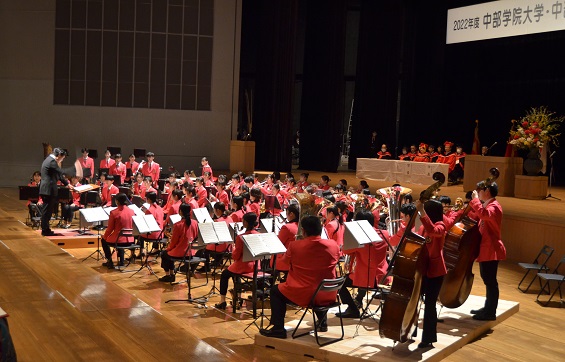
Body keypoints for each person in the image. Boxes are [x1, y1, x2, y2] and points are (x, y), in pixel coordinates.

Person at [259, 216, 340, 339]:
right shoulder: (333, 245)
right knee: (318, 280)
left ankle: (278, 329)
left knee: (275, 291)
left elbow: (284, 263)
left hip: (306, 294)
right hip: (328, 293)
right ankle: (322, 322)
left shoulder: (295, 246)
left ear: (303, 231)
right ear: (321, 229)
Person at [335, 211, 390, 318]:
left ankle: (353, 309)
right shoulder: (385, 233)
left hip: (368, 278)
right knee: (360, 272)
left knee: (340, 285)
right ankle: (358, 300)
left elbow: (345, 251)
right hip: (382, 276)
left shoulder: (360, 238)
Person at [469, 181, 505, 321]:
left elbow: (484, 215)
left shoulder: (494, 207)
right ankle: (487, 307)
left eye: (480, 190)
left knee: (491, 282)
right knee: (487, 280)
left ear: (488, 191)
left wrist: (475, 200)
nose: (478, 192)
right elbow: (478, 215)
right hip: (486, 249)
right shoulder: (488, 205)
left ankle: (490, 313)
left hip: (492, 249)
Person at [415, 198, 447, 349]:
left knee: (429, 305)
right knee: (414, 301)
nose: (424, 214)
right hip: (422, 268)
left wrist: (421, 211)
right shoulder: (423, 227)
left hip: (436, 271)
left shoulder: (441, 226)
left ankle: (428, 338)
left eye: (426, 211)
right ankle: (409, 332)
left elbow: (433, 231)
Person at [215, 212, 259, 309]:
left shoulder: (241, 237)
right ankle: (238, 297)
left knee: (225, 275)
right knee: (234, 273)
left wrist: (234, 247)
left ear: (246, 223)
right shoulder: (259, 234)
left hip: (243, 266)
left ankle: (222, 300)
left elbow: (235, 257)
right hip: (255, 265)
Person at [158, 203, 199, 282]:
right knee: (168, 254)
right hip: (190, 252)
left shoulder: (178, 225)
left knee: (164, 254)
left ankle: (169, 275)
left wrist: (168, 248)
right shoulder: (195, 223)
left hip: (181, 252)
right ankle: (171, 274)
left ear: (180, 211)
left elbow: (173, 242)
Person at [39, 147, 72, 236]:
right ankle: (45, 230)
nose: (62, 159)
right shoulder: (52, 162)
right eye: (63, 157)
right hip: (48, 190)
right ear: (59, 155)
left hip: (47, 189)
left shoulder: (48, 160)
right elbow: (62, 172)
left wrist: (67, 184)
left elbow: (59, 175)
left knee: (48, 211)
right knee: (47, 211)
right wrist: (75, 170)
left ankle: (46, 229)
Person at [101, 193, 135, 268]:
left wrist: (105, 236)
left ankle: (109, 262)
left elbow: (110, 229)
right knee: (119, 237)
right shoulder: (132, 211)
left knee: (104, 240)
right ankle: (121, 261)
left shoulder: (114, 212)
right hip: (130, 240)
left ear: (117, 201)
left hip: (119, 241)